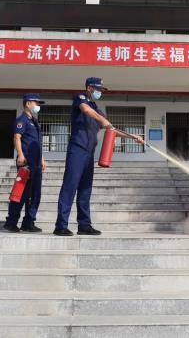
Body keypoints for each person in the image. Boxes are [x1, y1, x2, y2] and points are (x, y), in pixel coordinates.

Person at [54, 77, 143, 236]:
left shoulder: (97, 109)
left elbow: (111, 129)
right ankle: (61, 225)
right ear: (89, 88)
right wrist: (104, 121)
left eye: (101, 90)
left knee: (85, 189)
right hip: (77, 150)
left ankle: (84, 225)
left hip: (89, 154)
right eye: (97, 89)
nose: (100, 92)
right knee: (70, 187)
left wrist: (133, 137)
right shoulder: (80, 99)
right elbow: (87, 111)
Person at [4, 93, 46, 233]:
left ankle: (28, 222)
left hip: (36, 163)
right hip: (26, 163)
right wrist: (20, 155)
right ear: (28, 103)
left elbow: (37, 143)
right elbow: (17, 137)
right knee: (21, 193)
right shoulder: (21, 120)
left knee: (35, 194)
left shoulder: (34, 121)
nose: (38, 106)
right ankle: (11, 222)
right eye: (36, 103)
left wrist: (42, 159)